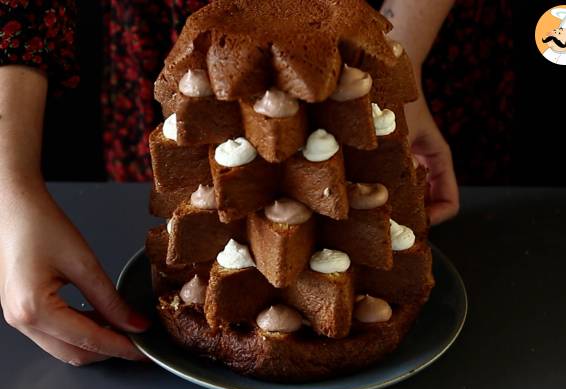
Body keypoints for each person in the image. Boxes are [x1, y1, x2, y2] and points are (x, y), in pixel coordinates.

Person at [0, 0, 459, 365]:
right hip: (197, 51)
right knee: (204, 201)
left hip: (389, 31)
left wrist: (395, 58)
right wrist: (9, 185)